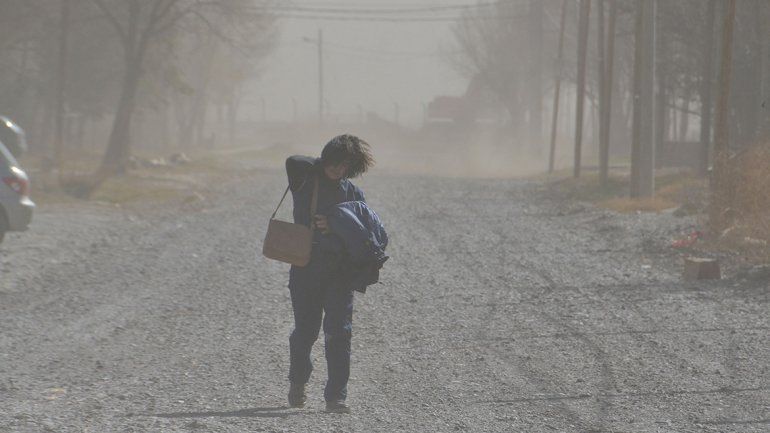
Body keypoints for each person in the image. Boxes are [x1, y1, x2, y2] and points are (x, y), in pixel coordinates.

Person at [284, 134, 374, 414]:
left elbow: (366, 235)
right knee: (305, 333)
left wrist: (335, 224)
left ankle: (336, 397)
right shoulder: (304, 182)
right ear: (325, 159)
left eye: (344, 165)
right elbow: (293, 160)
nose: (337, 169)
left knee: (339, 334)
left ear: (352, 167)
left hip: (340, 274)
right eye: (333, 163)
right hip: (305, 270)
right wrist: (323, 160)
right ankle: (298, 382)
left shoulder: (354, 195)